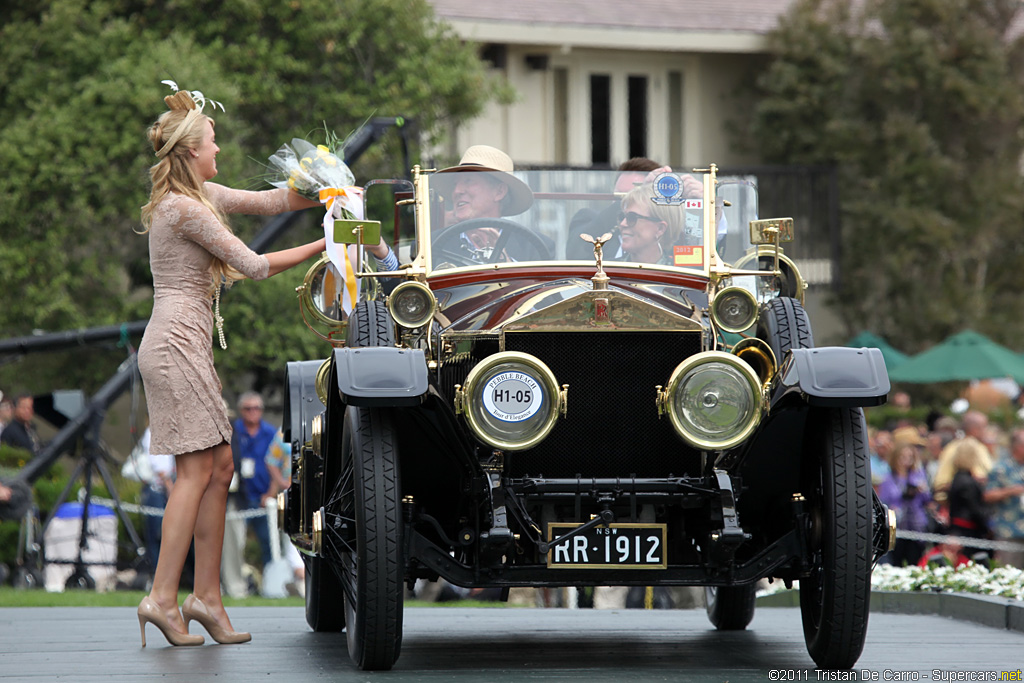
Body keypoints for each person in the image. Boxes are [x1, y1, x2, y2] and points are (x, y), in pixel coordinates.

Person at [135, 83, 328, 647]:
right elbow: (253, 264)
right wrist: (325, 244)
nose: (218, 150)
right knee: (198, 472)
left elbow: (272, 202)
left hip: (186, 344)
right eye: (213, 143)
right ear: (192, 152)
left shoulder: (202, 196)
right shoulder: (182, 209)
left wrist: (325, 188)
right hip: (175, 344)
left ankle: (206, 599)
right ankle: (162, 598)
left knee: (220, 467)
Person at [431, 145, 538, 261]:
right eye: (454, 184)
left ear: (499, 192)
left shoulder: (533, 247)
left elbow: (539, 279)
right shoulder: (430, 246)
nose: (457, 191)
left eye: (468, 181)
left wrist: (504, 260)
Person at [232, 392, 277, 569]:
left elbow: (277, 465)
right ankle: (236, 584)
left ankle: (270, 582)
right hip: (239, 496)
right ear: (241, 411)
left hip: (263, 497)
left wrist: (271, 494)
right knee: (235, 543)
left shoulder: (270, 433)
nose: (253, 411)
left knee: (268, 542)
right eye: (248, 408)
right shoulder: (234, 431)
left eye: (256, 408)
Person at [877, 440, 931, 566]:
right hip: (897, 526)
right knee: (896, 562)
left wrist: (920, 490)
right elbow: (885, 502)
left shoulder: (918, 475)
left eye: (910, 457)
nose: (906, 460)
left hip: (916, 525)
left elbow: (928, 499)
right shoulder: (888, 478)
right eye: (903, 457)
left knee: (915, 561)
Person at [946, 439, 993, 562]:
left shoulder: (959, 478)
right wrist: (988, 525)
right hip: (968, 530)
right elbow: (975, 509)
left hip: (958, 527)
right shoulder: (967, 482)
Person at [983, 428, 1024, 567]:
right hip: (1010, 531)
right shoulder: (1001, 468)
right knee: (1011, 572)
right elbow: (988, 495)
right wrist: (1010, 491)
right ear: (1017, 447)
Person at [932, 411, 992, 503]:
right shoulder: (954, 448)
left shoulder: (981, 447)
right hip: (962, 506)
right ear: (974, 428)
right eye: (984, 427)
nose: (986, 431)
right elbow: (941, 484)